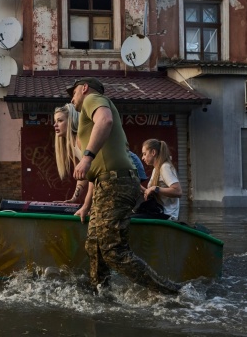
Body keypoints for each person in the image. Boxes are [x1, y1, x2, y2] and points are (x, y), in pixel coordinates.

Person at [69, 77, 181, 295]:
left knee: (113, 251)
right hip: (106, 183)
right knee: (94, 245)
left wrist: (87, 157)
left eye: (73, 93)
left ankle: (170, 292)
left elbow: (106, 121)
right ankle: (101, 293)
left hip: (116, 182)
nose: (71, 98)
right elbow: (98, 171)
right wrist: (86, 204)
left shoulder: (93, 98)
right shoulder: (86, 118)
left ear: (84, 88)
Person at [53, 103, 90, 203]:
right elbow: (83, 176)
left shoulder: (81, 140)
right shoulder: (70, 146)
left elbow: (94, 173)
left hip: (129, 164)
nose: (55, 125)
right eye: (55, 121)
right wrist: (74, 199)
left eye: (60, 121)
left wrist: (88, 203)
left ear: (71, 121)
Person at [141, 138, 183, 221]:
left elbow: (178, 192)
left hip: (167, 215)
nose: (142, 158)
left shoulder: (164, 167)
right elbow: (151, 192)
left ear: (153, 152)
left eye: (144, 154)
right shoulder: (156, 169)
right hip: (158, 211)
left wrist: (155, 188)